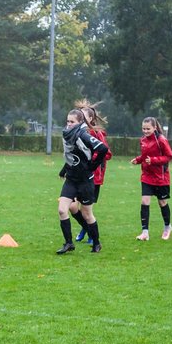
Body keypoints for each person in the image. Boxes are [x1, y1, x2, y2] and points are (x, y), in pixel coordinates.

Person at [56, 109, 109, 255]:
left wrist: (93, 165)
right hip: (71, 180)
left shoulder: (83, 135)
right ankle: (68, 243)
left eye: (72, 122)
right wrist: (65, 169)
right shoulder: (67, 134)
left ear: (80, 122)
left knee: (87, 214)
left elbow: (103, 149)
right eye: (67, 121)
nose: (69, 124)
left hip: (85, 182)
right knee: (62, 210)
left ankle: (97, 243)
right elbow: (72, 156)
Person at [130, 116, 172, 240]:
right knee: (144, 201)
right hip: (147, 176)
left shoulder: (161, 140)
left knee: (162, 202)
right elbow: (144, 156)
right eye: (143, 128)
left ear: (154, 128)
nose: (145, 131)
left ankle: (167, 227)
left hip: (161, 177)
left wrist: (153, 160)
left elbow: (169, 156)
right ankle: (145, 232)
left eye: (148, 128)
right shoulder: (142, 140)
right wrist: (138, 160)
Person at [74, 101, 110, 243]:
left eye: (84, 116)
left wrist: (91, 160)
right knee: (72, 206)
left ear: (91, 119)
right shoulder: (76, 132)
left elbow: (107, 153)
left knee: (86, 209)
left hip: (94, 177)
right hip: (78, 176)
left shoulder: (97, 134)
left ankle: (89, 233)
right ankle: (86, 228)